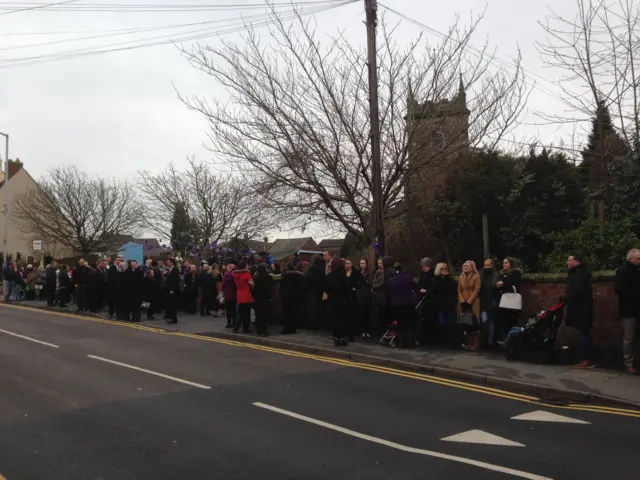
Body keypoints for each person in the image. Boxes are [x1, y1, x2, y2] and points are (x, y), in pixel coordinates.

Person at [560, 254, 595, 368]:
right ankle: (586, 358)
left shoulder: (579, 275)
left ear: (576, 261)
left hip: (581, 309)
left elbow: (577, 291)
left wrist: (565, 298)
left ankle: (587, 359)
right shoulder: (579, 273)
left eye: (570, 260)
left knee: (584, 334)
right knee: (583, 333)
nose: (567, 262)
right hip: (581, 309)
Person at [614, 248, 640, 374]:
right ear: (630, 259)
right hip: (629, 310)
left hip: (636, 309)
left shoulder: (637, 271)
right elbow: (619, 290)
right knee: (629, 337)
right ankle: (628, 362)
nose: (639, 261)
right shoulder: (622, 271)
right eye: (638, 259)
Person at [388, 263, 418, 348]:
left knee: (400, 325)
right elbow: (415, 288)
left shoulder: (392, 280)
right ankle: (410, 343)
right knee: (409, 324)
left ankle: (401, 343)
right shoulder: (408, 277)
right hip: (408, 304)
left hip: (396, 305)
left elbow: (389, 292)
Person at [323, 258, 351, 346]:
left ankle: (336, 337)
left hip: (332, 301)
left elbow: (325, 288)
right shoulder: (343, 276)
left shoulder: (329, 276)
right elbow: (348, 287)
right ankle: (342, 337)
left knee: (334, 319)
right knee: (342, 319)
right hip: (343, 300)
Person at [494, 257, 523, 340]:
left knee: (511, 321)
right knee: (503, 322)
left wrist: (503, 284)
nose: (504, 265)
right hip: (504, 301)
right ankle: (505, 340)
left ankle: (512, 341)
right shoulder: (502, 274)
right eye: (503, 263)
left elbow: (514, 286)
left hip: (512, 302)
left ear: (511, 264)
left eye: (506, 263)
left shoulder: (515, 273)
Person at [431, 263, 458, 346]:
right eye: (442, 269)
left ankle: (449, 341)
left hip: (449, 304)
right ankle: (442, 341)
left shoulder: (450, 280)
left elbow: (453, 288)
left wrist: (447, 277)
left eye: (446, 269)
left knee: (449, 324)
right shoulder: (435, 280)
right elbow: (433, 291)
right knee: (441, 323)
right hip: (439, 304)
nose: (445, 270)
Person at [458, 260, 482, 350]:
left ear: (472, 267)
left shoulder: (476, 276)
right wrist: (462, 301)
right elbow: (459, 290)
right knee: (466, 323)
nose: (465, 267)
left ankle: (476, 344)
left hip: (474, 301)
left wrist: (469, 301)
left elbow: (477, 289)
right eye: (464, 266)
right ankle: (468, 343)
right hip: (463, 301)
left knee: (474, 322)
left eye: (468, 266)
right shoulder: (461, 277)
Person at [280, 262, 304, 334]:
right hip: (295, 296)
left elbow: (282, 287)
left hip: (286, 297)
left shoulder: (284, 276)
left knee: (286, 314)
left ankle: (286, 329)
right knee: (294, 313)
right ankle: (293, 329)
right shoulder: (299, 276)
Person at [480, 259, 499, 348]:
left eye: (488, 265)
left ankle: (490, 341)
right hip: (483, 301)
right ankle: (484, 340)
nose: (486, 267)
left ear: (492, 265)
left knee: (491, 321)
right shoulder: (481, 275)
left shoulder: (496, 274)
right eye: (485, 265)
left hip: (492, 300)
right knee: (484, 321)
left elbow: (494, 286)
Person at [304, 255, 326, 329]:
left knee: (312, 308)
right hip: (321, 290)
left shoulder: (312, 268)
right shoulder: (324, 268)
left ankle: (313, 324)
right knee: (320, 307)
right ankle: (321, 323)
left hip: (312, 290)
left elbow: (307, 279)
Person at [417, 257, 435, 343]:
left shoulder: (432, 275)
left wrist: (427, 291)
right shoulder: (422, 275)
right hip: (422, 298)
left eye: (425, 266)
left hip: (429, 298)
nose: (423, 268)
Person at [234, 260, 254, 333]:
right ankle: (245, 329)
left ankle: (235, 328)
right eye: (247, 265)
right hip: (246, 295)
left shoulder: (235, 275)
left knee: (241, 314)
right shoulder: (247, 274)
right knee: (247, 314)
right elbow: (252, 285)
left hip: (239, 295)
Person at [252, 264, 273, 336]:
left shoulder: (255, 277)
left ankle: (259, 330)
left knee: (258, 315)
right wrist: (270, 297)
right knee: (264, 315)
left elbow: (253, 288)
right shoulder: (268, 277)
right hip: (265, 298)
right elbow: (269, 288)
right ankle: (264, 330)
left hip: (257, 297)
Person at [344, 259, 361, 342]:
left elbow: (361, 282)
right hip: (345, 296)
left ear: (351, 264)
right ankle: (345, 333)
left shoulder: (356, 272)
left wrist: (356, 288)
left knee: (352, 316)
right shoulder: (343, 273)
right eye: (346, 264)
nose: (347, 265)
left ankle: (352, 335)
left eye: (349, 263)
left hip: (353, 297)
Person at [356, 259, 373, 339]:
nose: (362, 265)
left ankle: (368, 331)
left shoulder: (369, 274)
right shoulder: (358, 273)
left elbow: (368, 283)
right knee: (361, 314)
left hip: (366, 296)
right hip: (359, 295)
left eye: (363, 263)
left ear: (366, 264)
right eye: (361, 263)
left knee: (367, 315)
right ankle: (362, 331)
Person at [164, 257, 181, 324]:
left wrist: (172, 289)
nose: (167, 263)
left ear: (172, 262)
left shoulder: (175, 269)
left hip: (173, 290)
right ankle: (171, 318)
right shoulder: (170, 269)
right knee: (170, 305)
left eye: (168, 262)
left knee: (173, 305)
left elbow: (175, 280)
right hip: (169, 289)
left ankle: (174, 319)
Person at [222, 264, 237, 328]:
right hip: (234, 295)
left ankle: (229, 323)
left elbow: (223, 285)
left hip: (227, 296)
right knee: (234, 310)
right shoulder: (235, 275)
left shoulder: (226, 275)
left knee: (228, 310)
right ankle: (234, 323)